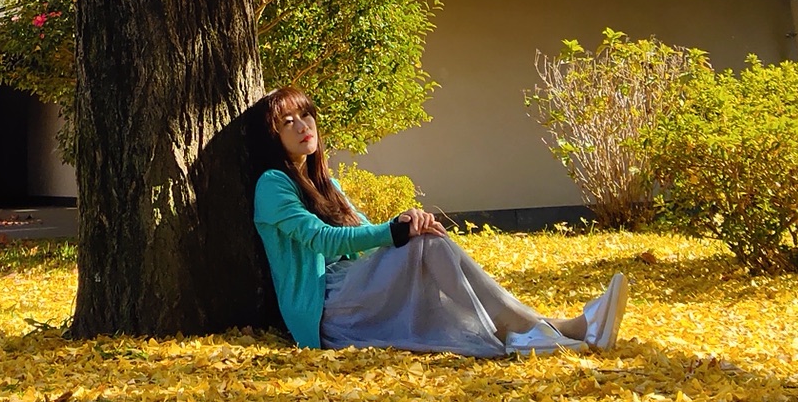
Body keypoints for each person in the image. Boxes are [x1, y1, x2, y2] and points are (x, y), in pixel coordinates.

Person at [253, 87, 627, 356]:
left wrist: (406, 222)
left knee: (425, 237)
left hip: (356, 289)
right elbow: (324, 240)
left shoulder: (326, 184)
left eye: (306, 115)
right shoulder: (272, 185)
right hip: (328, 307)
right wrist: (395, 230)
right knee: (423, 241)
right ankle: (545, 328)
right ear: (274, 137)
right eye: (289, 121)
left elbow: (360, 230)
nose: (304, 125)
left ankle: (538, 328)